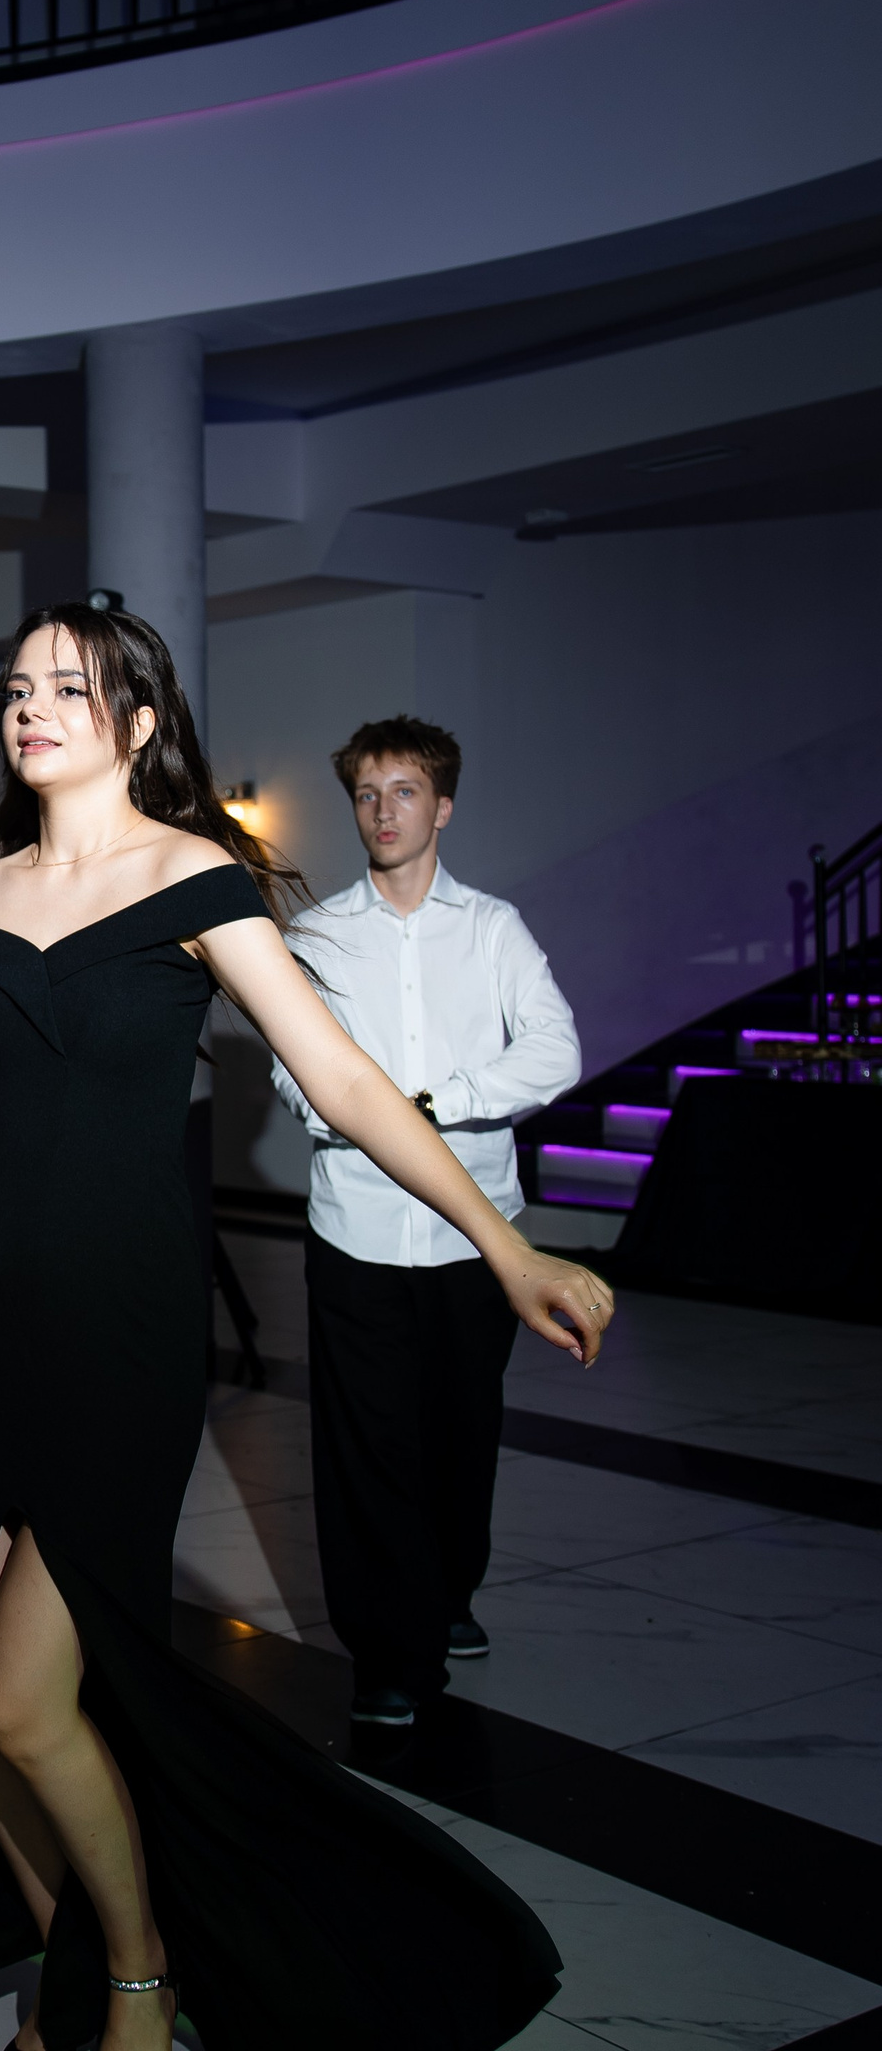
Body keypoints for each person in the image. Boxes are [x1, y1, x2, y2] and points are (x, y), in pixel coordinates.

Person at [0, 604, 614, 2051]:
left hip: (119, 1335)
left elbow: (343, 1077)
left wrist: (506, 1246)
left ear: (140, 720)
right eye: (19, 688)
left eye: (70, 687)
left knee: (27, 1700)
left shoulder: (194, 881)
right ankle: (60, 1962)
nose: (33, 708)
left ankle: (140, 1967)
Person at [270, 718, 582, 1727]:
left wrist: (433, 1104)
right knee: (367, 1448)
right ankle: (388, 1655)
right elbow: (296, 1077)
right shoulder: (317, 936)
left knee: (460, 1432)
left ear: (442, 806)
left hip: (473, 1236)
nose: (383, 811)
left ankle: (446, 1596)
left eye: (404, 791)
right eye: (367, 794)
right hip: (354, 1230)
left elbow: (555, 1050)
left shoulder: (493, 928)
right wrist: (361, 1112)